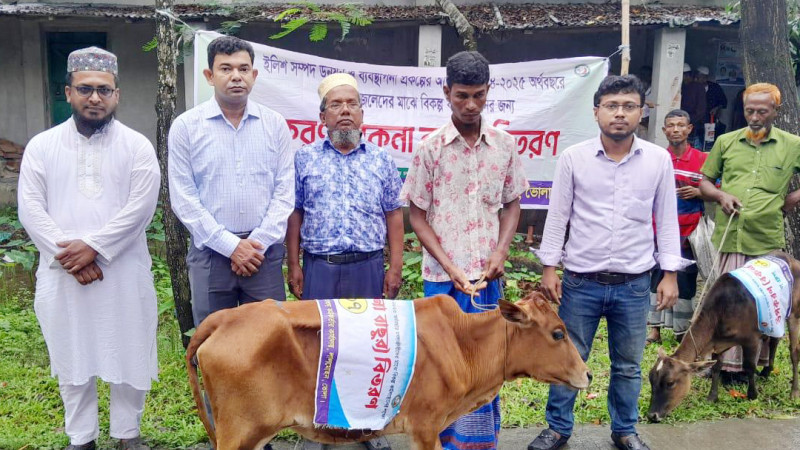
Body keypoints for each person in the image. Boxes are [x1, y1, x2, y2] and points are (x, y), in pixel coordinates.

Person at [529, 75, 685, 450]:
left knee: (628, 364)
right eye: (611, 106)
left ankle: (625, 429)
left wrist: (669, 274)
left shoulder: (658, 160)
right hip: (581, 281)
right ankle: (558, 428)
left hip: (633, 284)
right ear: (596, 111)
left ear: (641, 113)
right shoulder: (574, 158)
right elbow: (558, 216)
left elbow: (666, 219)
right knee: (568, 356)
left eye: (629, 106)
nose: (619, 113)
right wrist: (549, 268)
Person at [18, 47, 160, 450]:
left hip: (123, 270)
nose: (94, 98)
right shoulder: (42, 146)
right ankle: (81, 437)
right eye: (85, 89)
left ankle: (127, 434)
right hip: (64, 274)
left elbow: (141, 208)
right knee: (72, 353)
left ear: (117, 95)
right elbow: (30, 208)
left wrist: (94, 247)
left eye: (104, 90)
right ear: (69, 92)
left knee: (129, 350)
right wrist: (72, 258)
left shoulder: (137, 146)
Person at [401, 50, 528, 450]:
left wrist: (501, 252)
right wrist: (450, 266)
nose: (470, 105)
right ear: (447, 93)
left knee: (486, 364)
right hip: (442, 281)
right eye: (461, 96)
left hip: (487, 280)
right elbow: (417, 216)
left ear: (488, 91)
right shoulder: (430, 149)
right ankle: (438, 440)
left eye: (478, 95)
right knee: (441, 366)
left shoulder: (505, 146)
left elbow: (512, 204)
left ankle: (478, 442)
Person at [285, 73, 401, 450]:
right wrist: (294, 265)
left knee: (367, 349)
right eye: (336, 105)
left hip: (367, 267)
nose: (345, 111)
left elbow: (393, 215)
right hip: (320, 267)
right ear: (323, 117)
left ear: (363, 114)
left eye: (352, 104)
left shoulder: (382, 159)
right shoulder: (304, 158)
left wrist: (395, 268)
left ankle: (366, 427)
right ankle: (316, 429)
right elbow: (295, 214)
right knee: (316, 348)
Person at [168, 36, 294, 327]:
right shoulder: (186, 127)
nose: (236, 76)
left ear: (254, 75)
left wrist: (255, 245)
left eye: (243, 69)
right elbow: (184, 198)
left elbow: (285, 192)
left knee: (268, 339)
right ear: (209, 76)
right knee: (214, 339)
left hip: (263, 255)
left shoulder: (275, 124)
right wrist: (231, 246)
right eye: (226, 69)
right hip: (210, 254)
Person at [699, 82, 800, 379]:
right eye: (749, 111)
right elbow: (704, 182)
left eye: (762, 111)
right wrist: (720, 196)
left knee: (763, 304)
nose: (754, 117)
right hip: (732, 235)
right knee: (727, 302)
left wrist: (793, 198)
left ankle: (754, 364)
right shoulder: (726, 141)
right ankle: (722, 365)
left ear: (776, 111)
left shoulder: (793, 144)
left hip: (766, 238)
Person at [646, 109, 709, 345]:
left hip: (689, 232)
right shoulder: (657, 158)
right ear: (664, 130)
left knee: (685, 280)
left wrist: (698, 192)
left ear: (689, 129)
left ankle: (681, 330)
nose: (676, 130)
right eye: (671, 125)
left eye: (681, 125)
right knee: (655, 277)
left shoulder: (702, 160)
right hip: (657, 231)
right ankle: (654, 329)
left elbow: (716, 190)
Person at [696, 66, 728, 149]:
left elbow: (723, 101)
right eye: (699, 77)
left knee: (709, 141)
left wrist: (716, 108)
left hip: (710, 119)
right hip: (696, 120)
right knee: (697, 141)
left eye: (703, 77)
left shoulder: (715, 87)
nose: (700, 79)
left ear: (706, 77)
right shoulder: (694, 87)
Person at [681, 64, 707, 148]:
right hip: (682, 123)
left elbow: (701, 110)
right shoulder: (682, 86)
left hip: (694, 124)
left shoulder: (698, 87)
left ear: (686, 75)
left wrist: (689, 121)